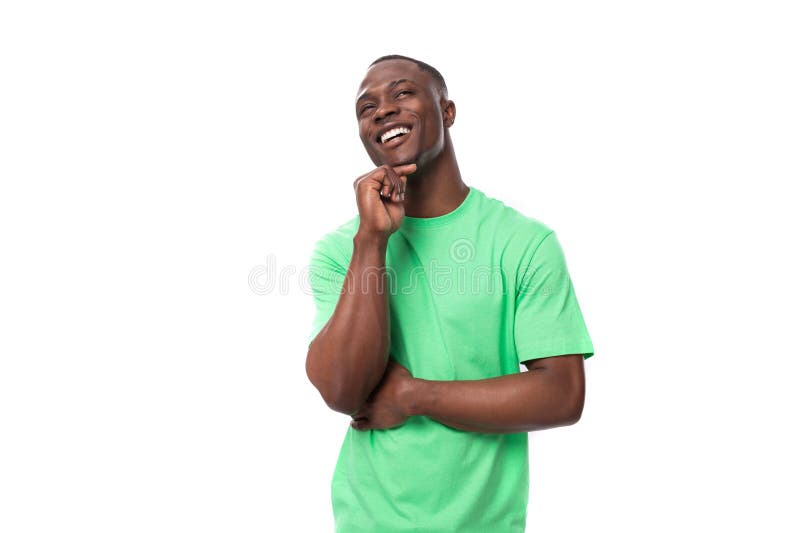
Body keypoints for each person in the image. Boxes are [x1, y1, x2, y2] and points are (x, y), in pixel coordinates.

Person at [305, 54, 595, 533]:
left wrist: (414, 396)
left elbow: (562, 395)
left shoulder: (523, 242)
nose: (382, 110)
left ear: (448, 111)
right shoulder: (344, 250)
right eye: (366, 107)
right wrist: (373, 241)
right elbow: (341, 390)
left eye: (402, 93)